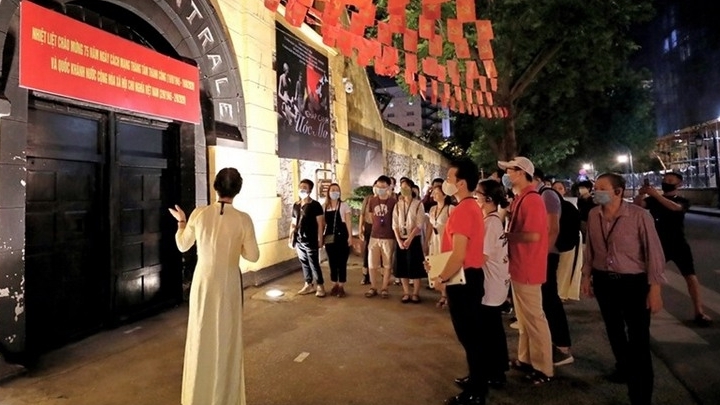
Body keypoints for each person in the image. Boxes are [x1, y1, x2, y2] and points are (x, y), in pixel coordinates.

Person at [169, 168, 260, 405]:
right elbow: (253, 256)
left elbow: (182, 245)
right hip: (228, 283)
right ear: (238, 190)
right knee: (227, 338)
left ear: (215, 186)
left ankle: (196, 396)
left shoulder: (199, 214)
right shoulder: (243, 219)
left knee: (200, 335)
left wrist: (181, 222)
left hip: (203, 282)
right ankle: (225, 398)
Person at [581, 173, 665, 405]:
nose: (595, 191)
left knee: (639, 339)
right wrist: (586, 276)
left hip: (633, 284)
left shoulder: (639, 216)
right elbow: (591, 249)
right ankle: (623, 367)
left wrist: (655, 289)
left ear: (618, 192)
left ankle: (640, 395)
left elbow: (654, 253)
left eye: (602, 188)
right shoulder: (594, 215)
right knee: (614, 330)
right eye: (595, 187)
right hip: (604, 282)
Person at [430, 159, 487, 405]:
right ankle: (476, 379)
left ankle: (477, 391)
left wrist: (441, 277)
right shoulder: (470, 206)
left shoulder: (463, 210)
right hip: (468, 277)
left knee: (470, 337)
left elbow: (459, 254)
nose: (446, 183)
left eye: (449, 178)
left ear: (461, 183)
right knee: (471, 335)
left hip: (464, 280)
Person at [499, 157, 554, 385]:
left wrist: (507, 236)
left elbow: (533, 236)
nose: (506, 175)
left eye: (509, 171)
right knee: (524, 318)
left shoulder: (532, 200)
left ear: (521, 172)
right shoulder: (522, 198)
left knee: (534, 319)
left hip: (528, 266)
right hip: (520, 265)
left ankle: (544, 368)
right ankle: (526, 358)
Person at [634, 172, 712, 326]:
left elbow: (675, 208)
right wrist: (641, 193)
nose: (666, 182)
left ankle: (699, 311)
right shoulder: (653, 199)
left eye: (670, 180)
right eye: (664, 180)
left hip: (678, 243)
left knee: (690, 276)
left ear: (679, 184)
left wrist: (656, 195)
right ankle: (643, 309)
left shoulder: (682, 200)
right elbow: (638, 205)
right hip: (658, 244)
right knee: (649, 277)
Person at [534, 168, 574, 366]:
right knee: (545, 299)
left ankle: (563, 347)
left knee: (550, 299)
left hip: (548, 254)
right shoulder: (537, 195)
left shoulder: (547, 195)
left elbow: (553, 229)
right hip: (543, 254)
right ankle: (555, 343)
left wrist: (541, 256)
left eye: (513, 173)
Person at [475, 179, 511, 387]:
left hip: (491, 284)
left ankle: (495, 372)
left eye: (478, 194)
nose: (476, 197)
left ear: (488, 198)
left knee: (490, 330)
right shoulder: (493, 220)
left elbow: (482, 257)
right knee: (492, 328)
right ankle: (496, 369)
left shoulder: (490, 223)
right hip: (496, 283)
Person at [289, 179, 326, 297]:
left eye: (305, 187)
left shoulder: (315, 205)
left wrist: (320, 239)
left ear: (310, 190)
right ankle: (308, 284)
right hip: (299, 239)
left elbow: (320, 224)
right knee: (304, 262)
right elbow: (293, 222)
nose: (302, 189)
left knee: (314, 263)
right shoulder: (296, 205)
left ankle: (320, 285)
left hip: (311, 239)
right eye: (300, 187)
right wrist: (290, 238)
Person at [393, 179, 426, 303]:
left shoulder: (418, 204)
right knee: (402, 266)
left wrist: (410, 239)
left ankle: (415, 293)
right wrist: (399, 240)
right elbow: (394, 224)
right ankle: (406, 292)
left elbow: (419, 224)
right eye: (402, 187)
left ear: (411, 188)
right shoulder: (398, 205)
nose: (404, 189)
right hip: (401, 238)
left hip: (414, 239)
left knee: (415, 266)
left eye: (406, 187)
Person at [365, 175, 397, 299]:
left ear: (389, 187)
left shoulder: (393, 202)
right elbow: (370, 216)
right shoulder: (372, 200)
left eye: (383, 187)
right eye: (378, 186)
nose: (380, 189)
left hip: (388, 236)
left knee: (387, 263)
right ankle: (373, 287)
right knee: (372, 263)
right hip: (374, 235)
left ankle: (384, 288)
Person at [426, 185, 454, 308]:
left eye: (437, 193)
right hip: (434, 241)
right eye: (433, 193)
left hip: (446, 241)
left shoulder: (450, 209)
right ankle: (443, 294)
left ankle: (449, 296)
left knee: (446, 266)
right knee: (437, 267)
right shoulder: (433, 209)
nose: (434, 195)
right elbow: (430, 226)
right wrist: (426, 241)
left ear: (445, 194)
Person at [323, 183, 352, 298]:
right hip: (329, 236)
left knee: (342, 261)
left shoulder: (344, 205)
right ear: (328, 192)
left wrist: (350, 237)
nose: (334, 192)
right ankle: (334, 283)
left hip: (342, 235)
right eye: (332, 190)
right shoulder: (324, 206)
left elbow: (348, 222)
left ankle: (341, 286)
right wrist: (321, 237)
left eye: (337, 190)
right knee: (332, 261)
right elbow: (323, 223)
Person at [359, 182, 377, 285]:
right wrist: (360, 229)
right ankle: (366, 275)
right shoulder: (368, 199)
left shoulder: (386, 200)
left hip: (380, 228)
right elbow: (362, 214)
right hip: (368, 226)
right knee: (367, 250)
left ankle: (381, 275)